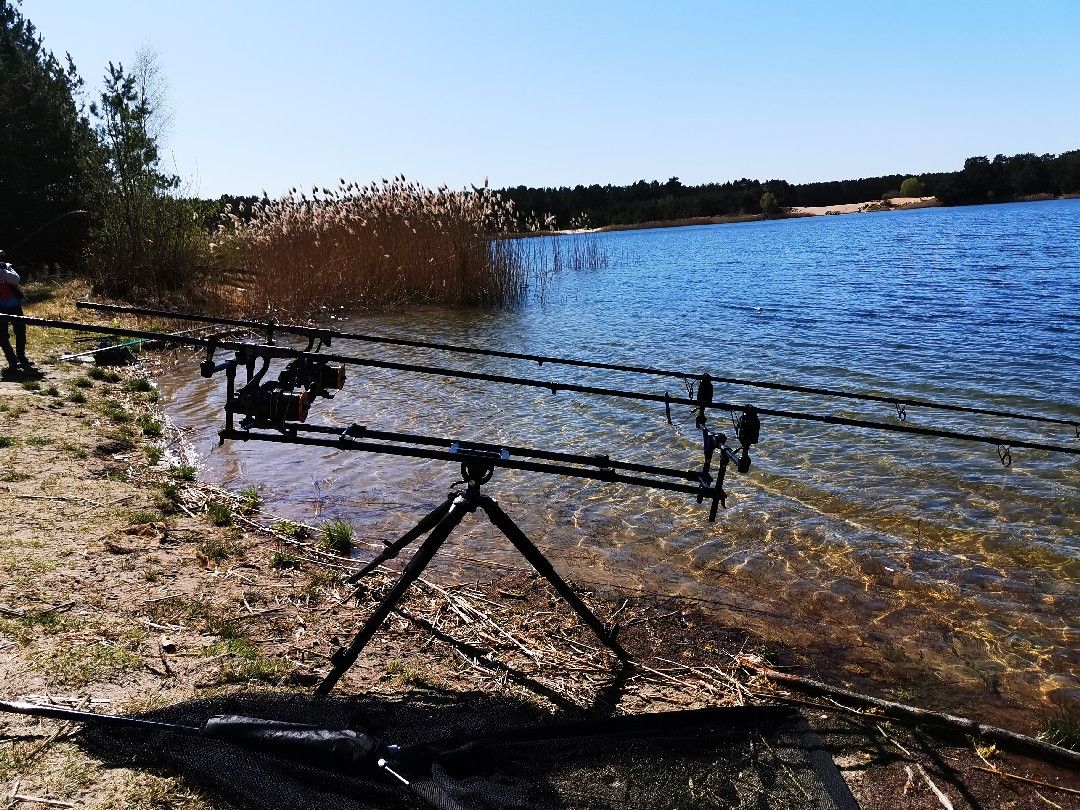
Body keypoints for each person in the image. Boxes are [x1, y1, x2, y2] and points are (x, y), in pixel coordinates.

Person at [0, 257, 31, 373]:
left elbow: (16, 279)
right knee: (2, 336)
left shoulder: (6, 266)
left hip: (14, 304)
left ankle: (21, 357)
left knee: (20, 331)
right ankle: (12, 361)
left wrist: (3, 272)